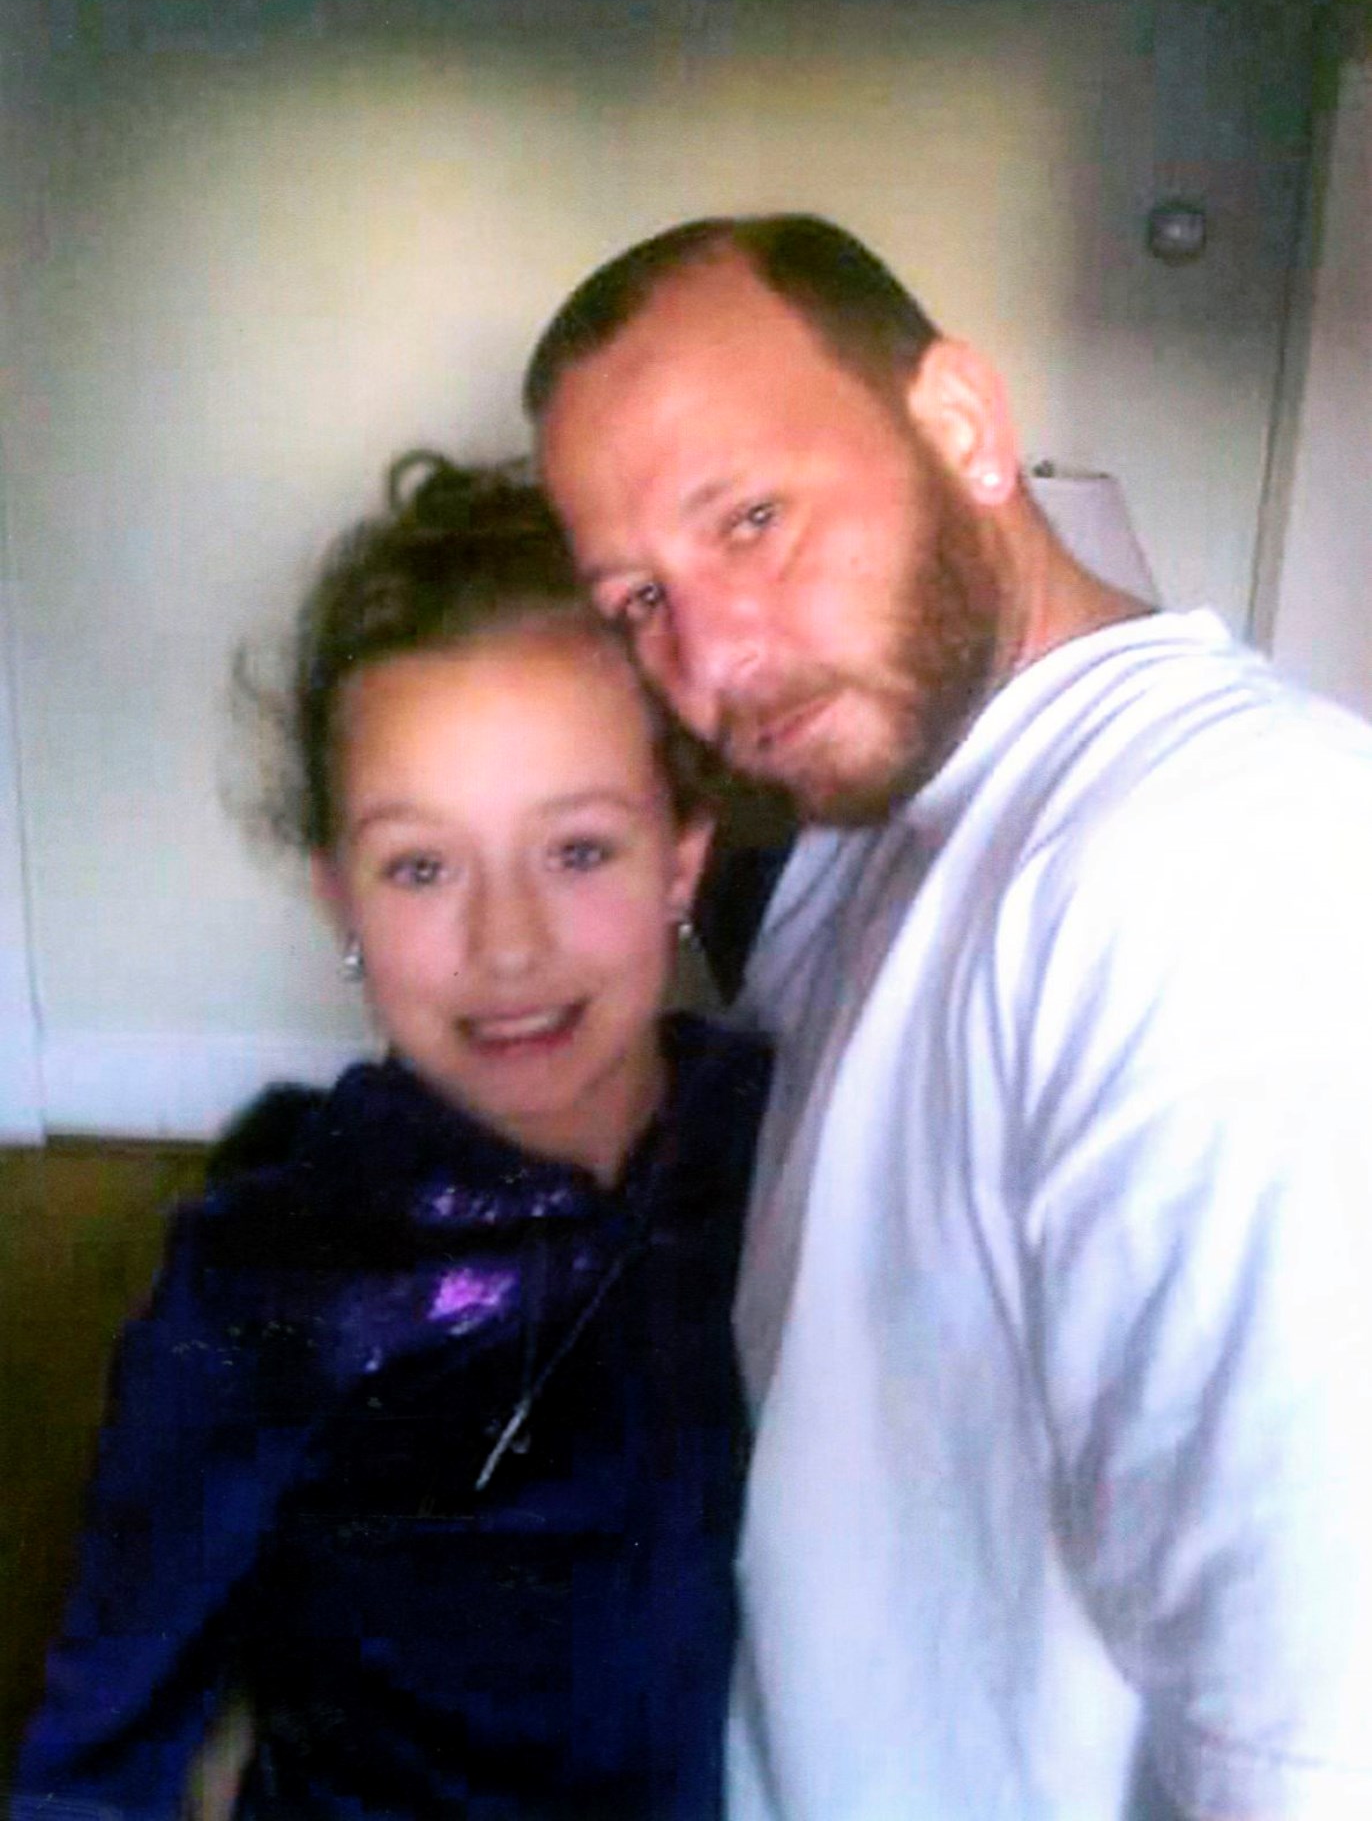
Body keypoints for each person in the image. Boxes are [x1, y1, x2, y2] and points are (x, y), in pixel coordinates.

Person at [524, 215, 1372, 1821]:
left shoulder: (1227, 874)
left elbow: (1319, 1755)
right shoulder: (892, 815)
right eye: (637, 598)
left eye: (754, 519)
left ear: (964, 427)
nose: (711, 661)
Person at [15, 453, 771, 1820]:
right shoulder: (264, 1284)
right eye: (421, 867)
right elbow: (101, 1747)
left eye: (578, 850)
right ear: (341, 899)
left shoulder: (781, 1138)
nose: (506, 943)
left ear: (683, 854)